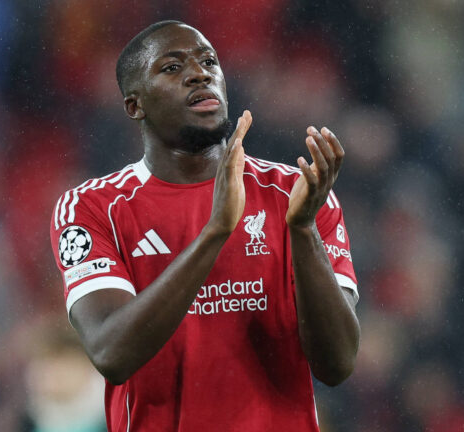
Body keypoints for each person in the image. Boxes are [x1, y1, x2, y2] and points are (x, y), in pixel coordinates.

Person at [50, 20, 359, 432]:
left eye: (209, 61)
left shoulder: (297, 194)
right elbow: (112, 352)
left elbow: (337, 363)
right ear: (134, 105)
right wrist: (215, 231)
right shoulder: (92, 208)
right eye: (173, 67)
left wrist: (302, 230)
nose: (200, 73)